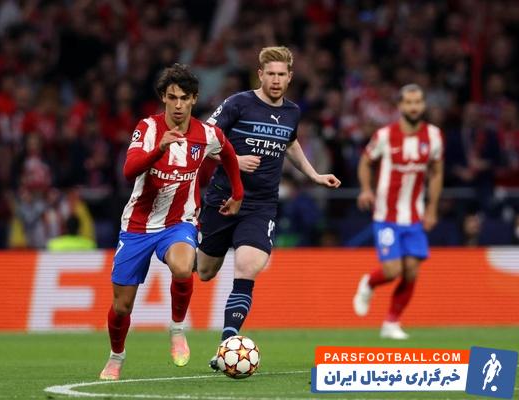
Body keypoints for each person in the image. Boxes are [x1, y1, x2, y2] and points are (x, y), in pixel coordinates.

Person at [195, 46, 341, 370]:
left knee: (247, 267)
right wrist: (233, 159)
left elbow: (291, 142)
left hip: (261, 205)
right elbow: (203, 139)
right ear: (260, 74)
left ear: (290, 77)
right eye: (270, 74)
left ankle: (227, 345)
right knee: (205, 272)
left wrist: (314, 174)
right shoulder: (238, 103)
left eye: (281, 75)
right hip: (223, 198)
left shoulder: (292, 112)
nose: (276, 80)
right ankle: (180, 250)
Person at [99, 64, 244, 380]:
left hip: (179, 222)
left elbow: (229, 153)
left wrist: (238, 192)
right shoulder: (147, 129)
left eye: (184, 98)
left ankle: (177, 328)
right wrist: (159, 149)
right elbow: (128, 171)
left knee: (182, 266)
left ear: (194, 99)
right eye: (172, 97)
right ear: (163, 98)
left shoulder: (206, 134)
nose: (178, 105)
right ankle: (116, 357)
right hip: (137, 226)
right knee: (122, 307)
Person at [353, 84, 444, 339]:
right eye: (409, 102)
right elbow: (365, 162)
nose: (413, 107)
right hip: (386, 216)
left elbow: (437, 172)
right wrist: (366, 189)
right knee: (393, 271)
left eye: (418, 102)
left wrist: (432, 208)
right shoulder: (384, 135)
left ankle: (391, 323)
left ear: (423, 105)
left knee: (412, 271)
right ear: (400, 106)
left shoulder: (434, 136)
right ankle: (369, 283)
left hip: (414, 216)